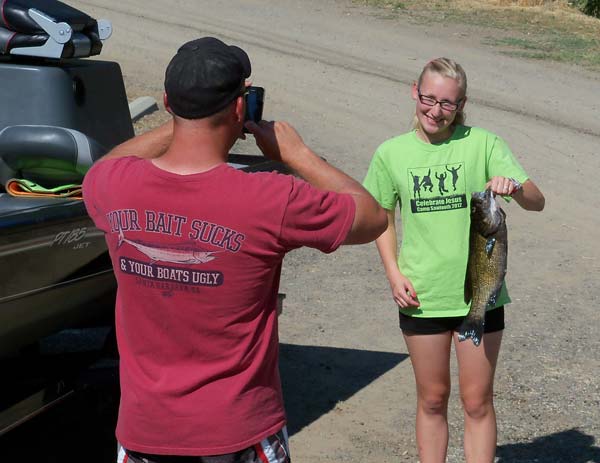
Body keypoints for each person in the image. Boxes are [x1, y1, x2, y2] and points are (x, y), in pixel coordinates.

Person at [82, 37, 387, 463]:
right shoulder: (271, 198)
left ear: (168, 102)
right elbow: (371, 217)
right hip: (238, 432)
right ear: (240, 108)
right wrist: (298, 155)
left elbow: (106, 163)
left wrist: (180, 124)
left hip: (144, 432)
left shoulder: (111, 186)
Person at [362, 57, 545, 463]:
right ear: (415, 91)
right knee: (432, 399)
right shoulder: (390, 153)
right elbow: (380, 217)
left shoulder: (484, 144)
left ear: (461, 104)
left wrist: (513, 186)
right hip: (422, 294)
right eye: (429, 98)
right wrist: (393, 273)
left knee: (477, 401)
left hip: (481, 297)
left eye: (448, 103)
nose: (436, 110)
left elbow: (537, 202)